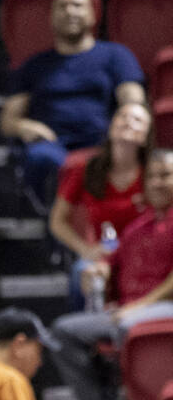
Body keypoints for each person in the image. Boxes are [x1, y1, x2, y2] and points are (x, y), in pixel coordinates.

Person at [48, 149, 173, 400]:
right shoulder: (137, 227)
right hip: (127, 312)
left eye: (165, 175)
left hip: (162, 309)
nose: (157, 182)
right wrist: (98, 271)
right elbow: (110, 261)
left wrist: (138, 308)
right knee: (64, 331)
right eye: (152, 176)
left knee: (129, 326)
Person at [0, 0, 145, 204]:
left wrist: (127, 119)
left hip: (101, 142)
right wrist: (25, 126)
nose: (70, 12)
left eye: (77, 5)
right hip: (52, 144)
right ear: (51, 17)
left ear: (93, 14)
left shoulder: (116, 55)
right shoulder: (34, 65)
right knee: (42, 159)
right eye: (63, 6)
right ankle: (57, 218)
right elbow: (8, 119)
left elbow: (133, 99)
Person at [48, 101, 151, 310]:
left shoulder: (153, 174)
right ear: (111, 125)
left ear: (145, 136)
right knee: (82, 273)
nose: (128, 122)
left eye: (137, 119)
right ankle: (85, 335)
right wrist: (85, 250)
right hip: (104, 253)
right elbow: (57, 221)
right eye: (122, 116)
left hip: (143, 254)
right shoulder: (85, 169)